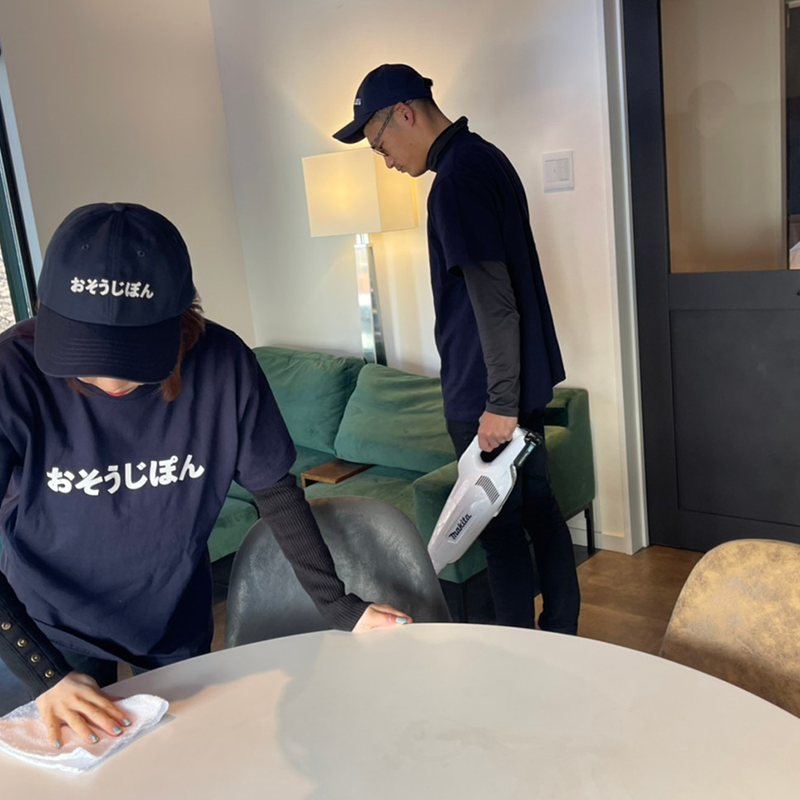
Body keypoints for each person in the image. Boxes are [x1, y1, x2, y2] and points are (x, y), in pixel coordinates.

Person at [0, 202, 410, 746]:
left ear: (181, 321)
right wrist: (44, 674)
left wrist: (340, 608)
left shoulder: (223, 364)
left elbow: (276, 493)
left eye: (130, 357)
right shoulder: (12, 371)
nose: (109, 379)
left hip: (170, 613)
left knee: (189, 755)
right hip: (47, 621)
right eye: (87, 354)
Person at [333, 64, 580, 633]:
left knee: (500, 534)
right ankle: (562, 634)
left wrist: (498, 404)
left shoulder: (455, 183)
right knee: (540, 513)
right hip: (520, 381)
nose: (386, 161)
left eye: (379, 145)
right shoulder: (486, 157)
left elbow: (494, 303)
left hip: (488, 395)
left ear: (404, 113)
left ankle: (515, 654)